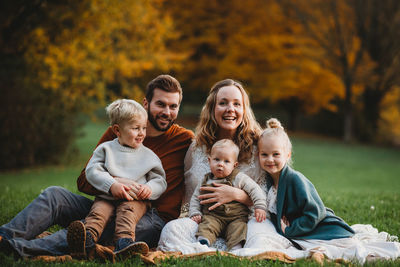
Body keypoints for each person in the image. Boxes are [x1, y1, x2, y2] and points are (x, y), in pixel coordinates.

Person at [0, 74, 194, 260]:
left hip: (152, 218)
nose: (167, 112)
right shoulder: (118, 132)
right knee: (54, 195)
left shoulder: (185, 140)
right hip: (107, 203)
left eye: (173, 106)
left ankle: (17, 249)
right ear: (146, 103)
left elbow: (220, 149)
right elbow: (84, 180)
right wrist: (115, 183)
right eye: (160, 104)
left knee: (91, 229)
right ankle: (5, 236)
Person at [157, 79, 293, 254]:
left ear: (244, 110)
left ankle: (234, 248)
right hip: (207, 222)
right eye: (223, 103)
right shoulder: (197, 147)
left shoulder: (258, 147)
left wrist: (238, 195)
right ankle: (207, 245)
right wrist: (193, 216)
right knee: (171, 231)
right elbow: (189, 196)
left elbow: (272, 195)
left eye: (237, 104)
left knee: (261, 240)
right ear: (213, 108)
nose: (230, 109)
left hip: (247, 220)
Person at [67, 99, 167, 259]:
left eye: (143, 128)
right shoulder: (106, 149)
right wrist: (111, 184)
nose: (141, 133)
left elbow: (160, 180)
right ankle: (86, 240)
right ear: (117, 130)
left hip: (135, 199)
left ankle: (124, 244)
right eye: (135, 128)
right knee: (97, 214)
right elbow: (92, 171)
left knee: (127, 214)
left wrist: (149, 189)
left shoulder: (149, 156)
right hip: (107, 197)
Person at [258, 118, 354, 243]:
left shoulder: (295, 179)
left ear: (287, 155)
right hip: (298, 228)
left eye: (276, 154)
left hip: (321, 228)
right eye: (264, 154)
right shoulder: (267, 180)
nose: (270, 159)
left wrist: (290, 230)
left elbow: (315, 212)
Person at [189, 139, 267, 250]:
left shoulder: (239, 177)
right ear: (209, 160)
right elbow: (196, 198)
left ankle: (235, 247)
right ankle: (203, 242)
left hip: (235, 217)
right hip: (213, 216)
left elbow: (255, 190)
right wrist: (195, 212)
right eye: (217, 159)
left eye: (226, 161)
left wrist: (260, 206)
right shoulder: (205, 180)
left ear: (234, 165)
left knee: (238, 228)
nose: (220, 164)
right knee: (207, 225)